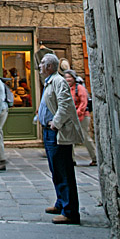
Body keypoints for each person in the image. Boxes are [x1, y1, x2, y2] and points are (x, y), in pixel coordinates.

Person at [38, 53, 84, 224]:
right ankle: (61, 202)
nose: (39, 66)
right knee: (55, 169)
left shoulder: (58, 81)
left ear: (50, 66)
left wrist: (55, 123)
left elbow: (65, 104)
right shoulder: (49, 81)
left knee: (63, 170)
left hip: (56, 132)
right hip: (48, 131)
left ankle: (70, 211)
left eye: (42, 63)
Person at [64, 70, 97, 166]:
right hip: (71, 117)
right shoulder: (66, 89)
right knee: (70, 138)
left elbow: (84, 102)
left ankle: (95, 157)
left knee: (85, 136)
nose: (68, 79)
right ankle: (71, 159)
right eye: (66, 77)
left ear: (74, 78)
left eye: (69, 77)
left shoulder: (80, 88)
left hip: (82, 116)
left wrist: (78, 113)